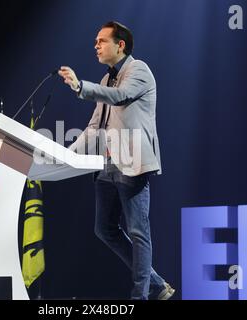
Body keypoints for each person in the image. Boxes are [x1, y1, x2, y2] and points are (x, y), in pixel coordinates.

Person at [58, 21, 174, 300]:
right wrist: (65, 154)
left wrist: (78, 86)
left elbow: (120, 97)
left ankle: (141, 296)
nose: (95, 46)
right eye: (96, 41)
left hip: (132, 162)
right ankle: (157, 284)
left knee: (137, 231)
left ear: (120, 45)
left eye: (101, 41)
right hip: (107, 166)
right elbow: (95, 126)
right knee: (105, 229)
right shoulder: (104, 80)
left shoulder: (139, 70)